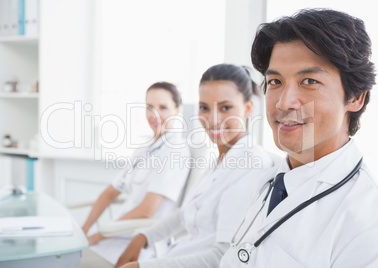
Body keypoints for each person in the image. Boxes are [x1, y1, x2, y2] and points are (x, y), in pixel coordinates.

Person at [220, 8, 378, 267]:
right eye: (275, 82)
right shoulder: (267, 182)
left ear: (355, 97)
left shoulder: (367, 221)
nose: (284, 102)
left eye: (309, 81)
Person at [115, 63, 274, 268]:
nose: (213, 119)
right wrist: (142, 238)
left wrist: (141, 267)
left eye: (226, 108)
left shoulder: (252, 165)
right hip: (175, 256)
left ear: (248, 108)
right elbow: (185, 214)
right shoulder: (221, 158)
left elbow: (224, 257)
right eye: (204, 108)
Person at [82, 81, 191, 248]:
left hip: (139, 244)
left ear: (177, 110)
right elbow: (110, 193)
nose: (155, 115)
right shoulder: (143, 149)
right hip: (116, 235)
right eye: (149, 107)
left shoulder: (176, 152)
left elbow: (147, 210)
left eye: (163, 107)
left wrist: (98, 236)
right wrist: (85, 230)